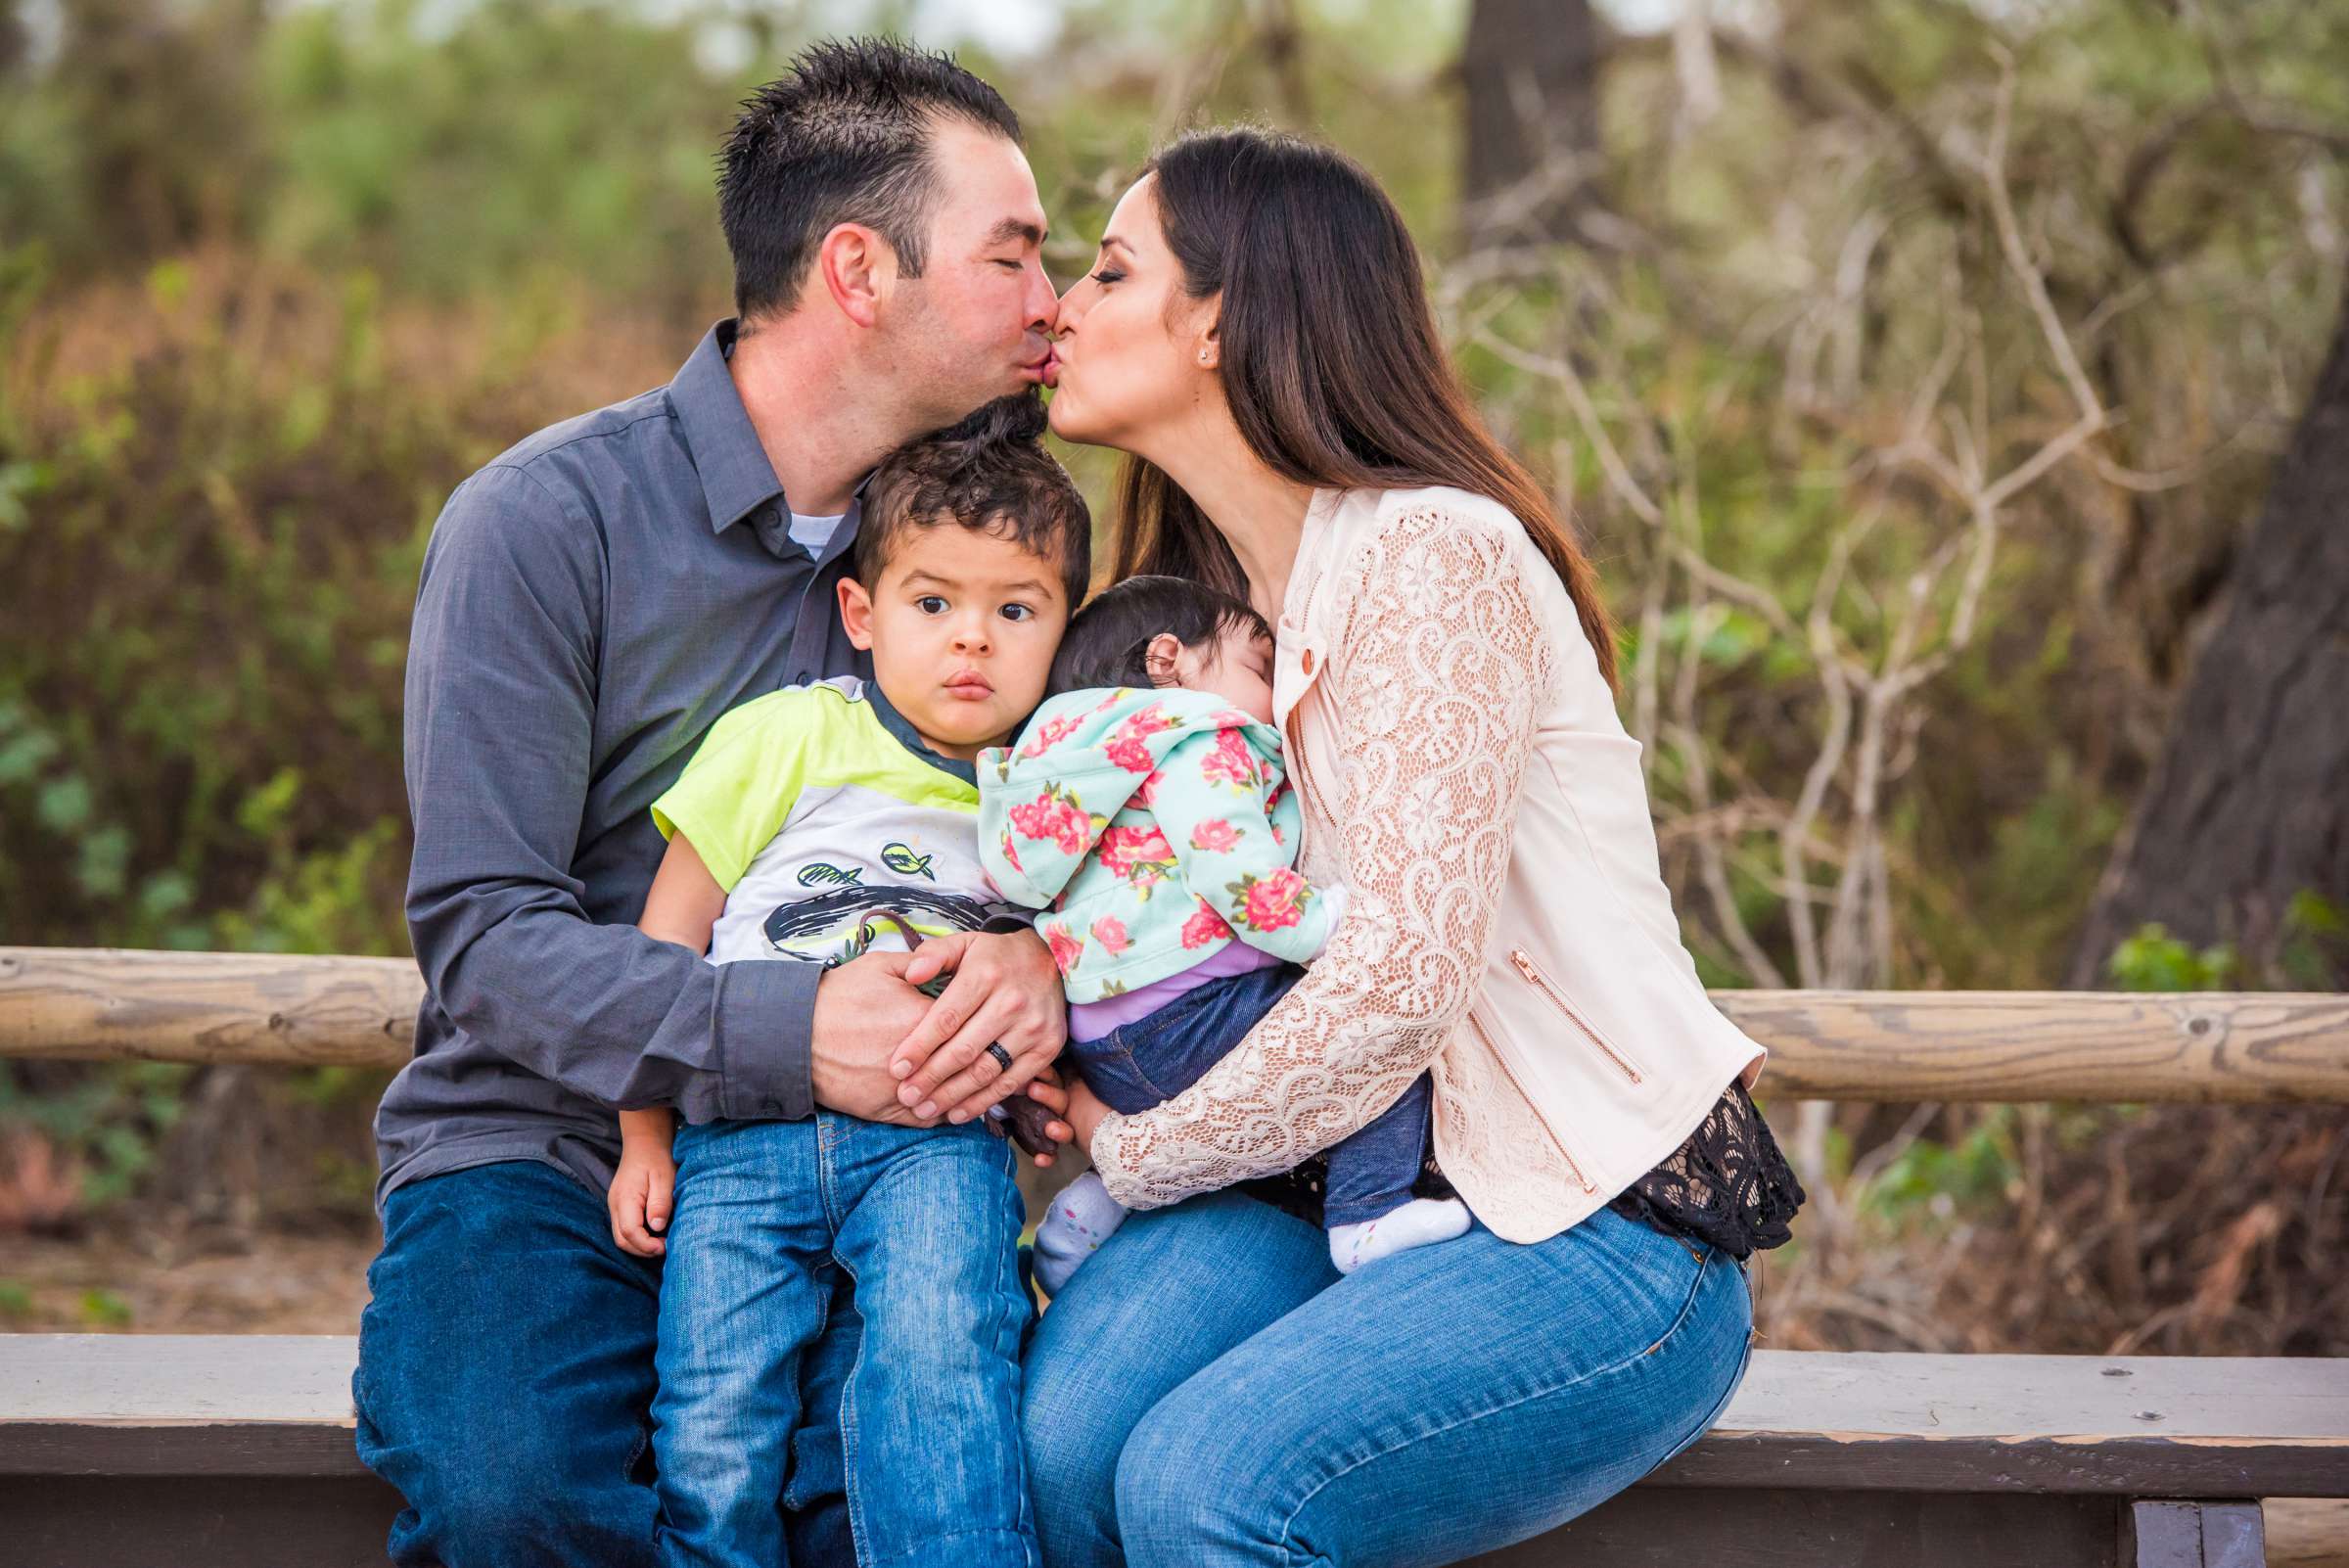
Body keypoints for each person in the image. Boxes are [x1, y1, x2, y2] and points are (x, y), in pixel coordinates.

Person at [990, 126, 1809, 1567]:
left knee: (1202, 1487)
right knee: (1053, 1453)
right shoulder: (1191, 621)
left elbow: (1401, 979)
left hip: (1588, 1226)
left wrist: (1135, 1151)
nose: (1061, 304)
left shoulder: (1436, 554)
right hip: (1322, 1185)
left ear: (1220, 322)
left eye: (1111, 272)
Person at [355, 40, 1075, 1567]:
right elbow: (482, 937)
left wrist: (1036, 965)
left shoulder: (1003, 569)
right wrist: (791, 1025)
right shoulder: (545, 523)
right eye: (1014, 254)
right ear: (859, 270)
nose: (1050, 303)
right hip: (542, 1151)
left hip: (882, 1161)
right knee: (515, 1502)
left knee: (892, 1494)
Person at [597, 394, 1083, 1568]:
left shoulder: (1057, 793)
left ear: (1064, 627)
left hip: (935, 1146)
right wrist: (642, 1133)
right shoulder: (788, 735)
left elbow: (1067, 982)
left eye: (1014, 609)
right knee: (712, 1426)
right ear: (860, 615)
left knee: (942, 1374)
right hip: (736, 1136)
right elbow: (669, 940)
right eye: (934, 604)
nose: (972, 640)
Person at [979, 575, 1468, 1291]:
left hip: (1102, 1044)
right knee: (1372, 1045)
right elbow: (1226, 864)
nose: (1273, 692)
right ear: (1168, 658)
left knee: (1202, 1110)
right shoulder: (1191, 736)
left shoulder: (1070, 767)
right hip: (1189, 1018)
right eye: (1259, 667)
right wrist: (1323, 925)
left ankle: (1092, 1207)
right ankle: (1368, 1216)